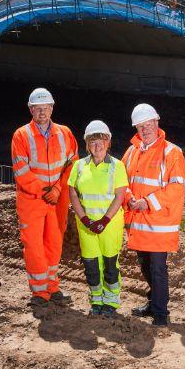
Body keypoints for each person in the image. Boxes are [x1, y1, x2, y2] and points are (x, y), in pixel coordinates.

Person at [11, 88, 78, 315]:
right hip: (32, 200)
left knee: (54, 243)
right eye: (38, 108)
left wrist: (58, 189)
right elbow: (21, 170)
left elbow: (72, 164)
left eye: (46, 107)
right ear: (31, 110)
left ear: (52, 108)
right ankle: (39, 293)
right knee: (34, 246)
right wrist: (44, 191)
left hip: (57, 199)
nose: (42, 112)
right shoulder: (21, 135)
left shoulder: (65, 133)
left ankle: (52, 287)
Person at [122, 104, 185, 327]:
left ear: (157, 123)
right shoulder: (132, 151)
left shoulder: (172, 152)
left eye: (148, 124)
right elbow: (123, 180)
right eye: (140, 126)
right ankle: (153, 303)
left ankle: (161, 312)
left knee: (158, 268)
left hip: (159, 224)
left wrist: (147, 202)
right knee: (144, 264)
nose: (145, 129)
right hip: (138, 222)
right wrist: (130, 198)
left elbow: (176, 188)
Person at [68, 120, 128, 317]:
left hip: (109, 226)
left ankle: (111, 301)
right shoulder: (78, 166)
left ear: (108, 142)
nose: (97, 145)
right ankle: (96, 300)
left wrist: (104, 220)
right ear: (87, 144)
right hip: (87, 226)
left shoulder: (117, 166)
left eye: (102, 140)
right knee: (91, 265)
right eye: (93, 141)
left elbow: (120, 196)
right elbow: (73, 193)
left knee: (110, 265)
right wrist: (85, 219)